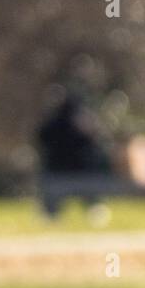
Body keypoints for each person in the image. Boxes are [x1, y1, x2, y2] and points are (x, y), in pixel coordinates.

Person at [35, 90, 113, 223]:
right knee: (54, 190)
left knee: (89, 187)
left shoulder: (54, 124)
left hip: (75, 175)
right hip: (61, 175)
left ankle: (53, 214)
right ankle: (52, 213)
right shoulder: (65, 126)